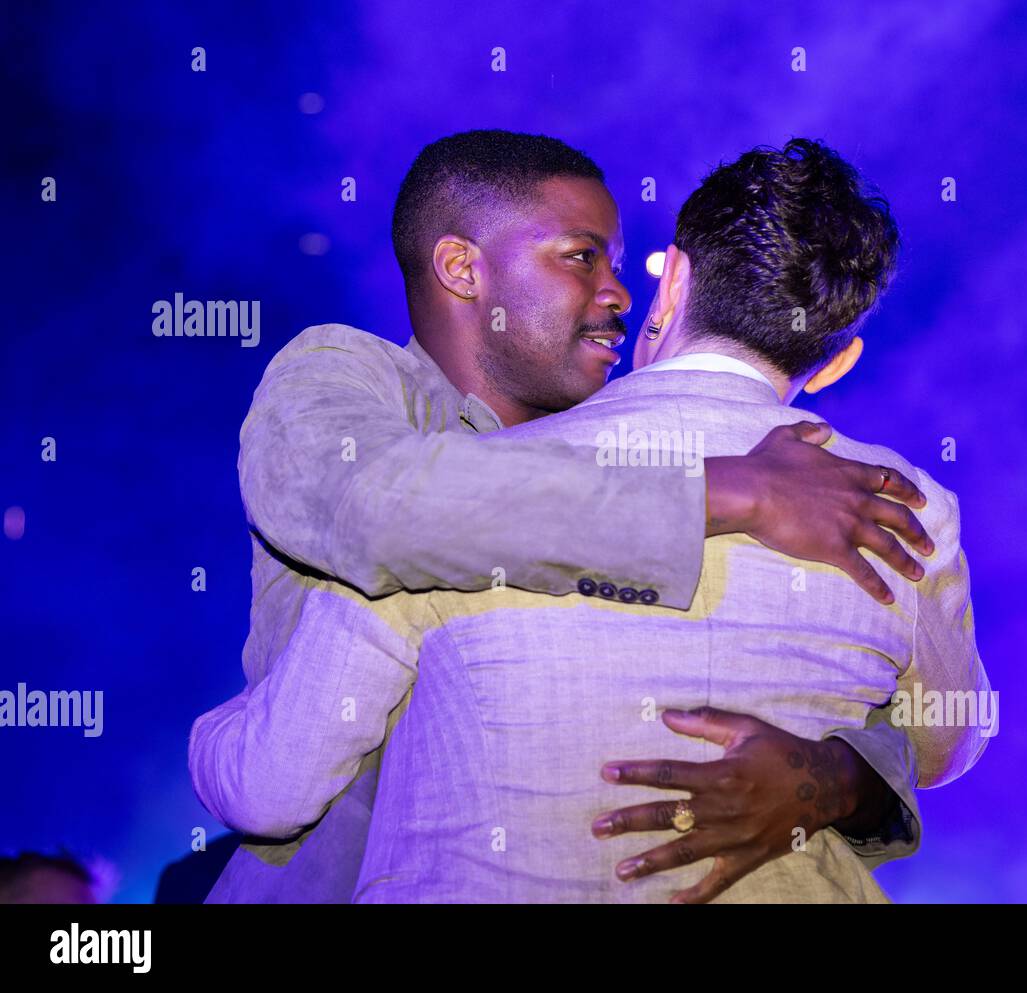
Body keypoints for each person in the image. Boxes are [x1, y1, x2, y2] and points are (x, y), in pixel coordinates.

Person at [192, 133, 986, 902]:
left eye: (619, 262)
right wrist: (724, 492)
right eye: (581, 256)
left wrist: (839, 774)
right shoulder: (369, 404)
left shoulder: (529, 458)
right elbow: (383, 507)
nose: (617, 292)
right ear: (462, 269)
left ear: (674, 283)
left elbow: (272, 780)